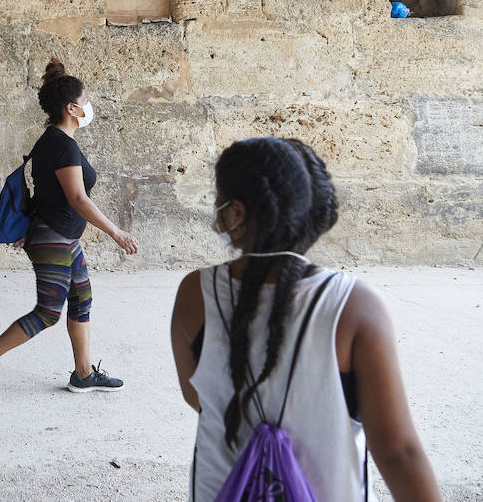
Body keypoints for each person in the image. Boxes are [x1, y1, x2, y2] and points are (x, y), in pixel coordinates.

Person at [170, 137, 441, 501]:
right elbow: (398, 452)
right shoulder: (354, 306)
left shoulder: (194, 294)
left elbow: (198, 398)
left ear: (235, 212)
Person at [0, 57, 139, 398]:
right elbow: (78, 198)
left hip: (64, 237)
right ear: (72, 108)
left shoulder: (55, 141)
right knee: (47, 312)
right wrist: (116, 233)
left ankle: (84, 374)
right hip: (54, 237)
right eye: (86, 103)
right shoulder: (61, 145)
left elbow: (51, 192)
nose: (90, 107)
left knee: (81, 298)